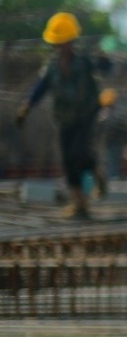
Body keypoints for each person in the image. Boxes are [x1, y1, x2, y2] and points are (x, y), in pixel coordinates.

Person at [16, 12, 108, 219]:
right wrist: (27, 106)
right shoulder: (52, 68)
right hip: (64, 120)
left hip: (86, 116)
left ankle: (97, 174)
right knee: (68, 159)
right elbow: (40, 87)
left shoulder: (84, 61)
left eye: (64, 42)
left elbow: (106, 68)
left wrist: (104, 59)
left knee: (80, 152)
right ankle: (79, 204)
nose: (60, 47)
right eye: (57, 44)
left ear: (72, 42)